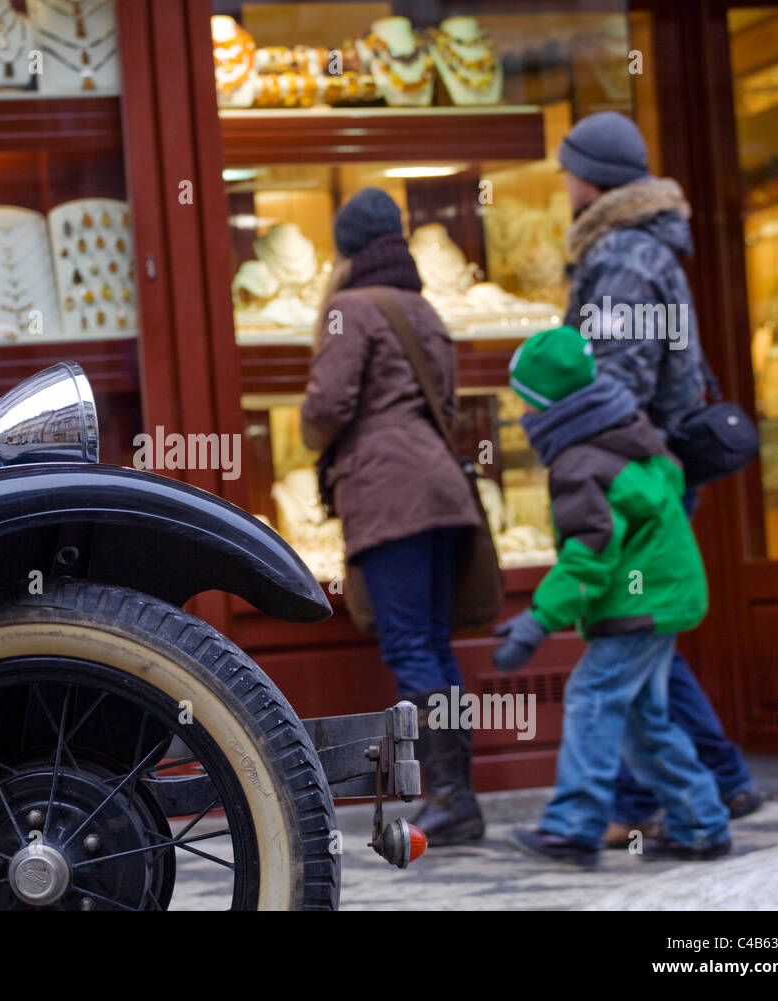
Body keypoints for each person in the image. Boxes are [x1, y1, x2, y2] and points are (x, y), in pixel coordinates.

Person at [556, 111, 762, 845]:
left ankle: (687, 794)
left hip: (640, 474)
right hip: (652, 467)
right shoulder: (640, 248)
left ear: (593, 178)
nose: (563, 181)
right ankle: (675, 794)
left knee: (627, 637)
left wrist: (590, 455)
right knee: (639, 637)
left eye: (569, 169)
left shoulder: (622, 256)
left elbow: (618, 377)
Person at [495, 326, 732, 867]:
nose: (521, 415)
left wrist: (536, 621)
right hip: (663, 595)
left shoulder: (581, 462)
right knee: (643, 718)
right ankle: (701, 824)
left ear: (547, 406)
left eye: (524, 402)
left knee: (592, 698)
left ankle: (574, 826)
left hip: (640, 602)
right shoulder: (625, 433)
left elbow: (589, 557)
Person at [301, 187, 486, 846]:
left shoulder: (350, 308)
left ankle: (449, 799)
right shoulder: (424, 307)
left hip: (389, 492)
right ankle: (457, 797)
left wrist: (308, 434)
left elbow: (327, 404)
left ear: (348, 248)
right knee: (436, 642)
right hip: (440, 488)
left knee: (412, 646)